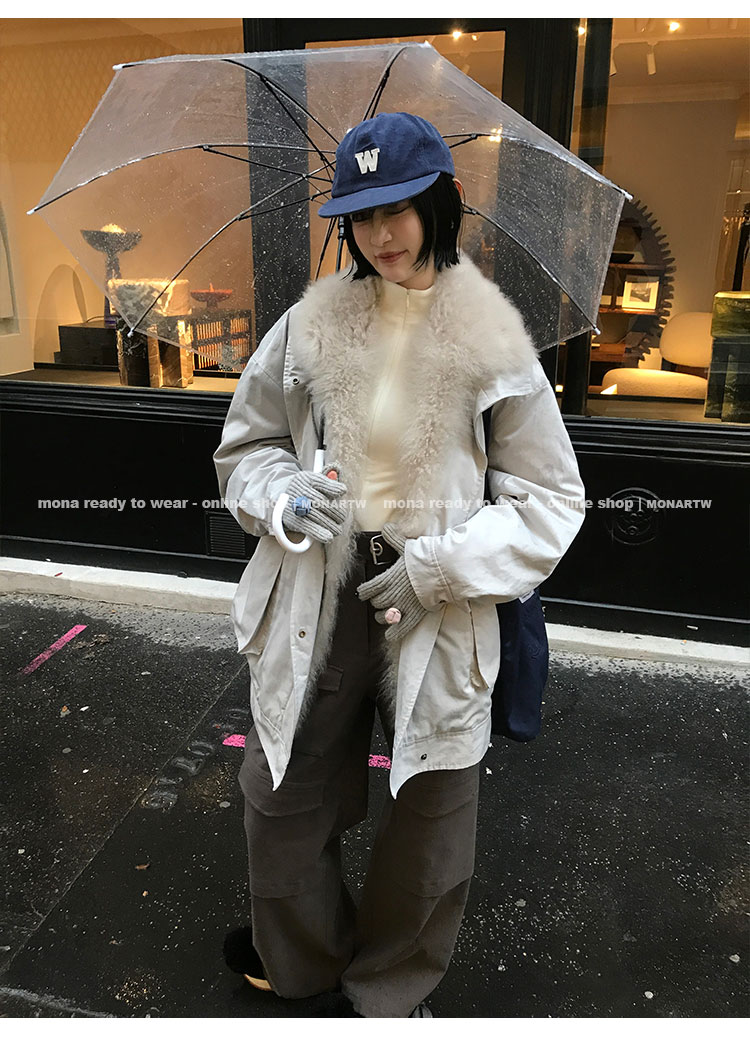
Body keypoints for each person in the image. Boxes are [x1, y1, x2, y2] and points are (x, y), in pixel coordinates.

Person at [213, 111, 586, 1018]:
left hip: (436, 598)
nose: (380, 234)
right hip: (320, 586)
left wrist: (437, 571)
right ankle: (305, 956)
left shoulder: (491, 339)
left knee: (432, 817)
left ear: (442, 204)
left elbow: (550, 499)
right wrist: (283, 494)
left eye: (399, 209)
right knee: (281, 792)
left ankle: (390, 985)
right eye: (361, 215)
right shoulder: (308, 327)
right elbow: (246, 446)